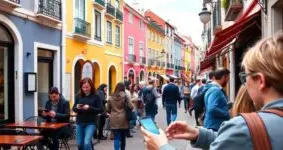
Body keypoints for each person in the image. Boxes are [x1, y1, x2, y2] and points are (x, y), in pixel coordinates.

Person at [141, 33, 283, 150]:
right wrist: (198, 134)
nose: (244, 84)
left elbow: (240, 138)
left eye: (245, 77)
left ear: (260, 80)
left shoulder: (245, 128)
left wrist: (161, 146)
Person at [73, 78, 103, 150]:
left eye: (87, 87)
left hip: (91, 123)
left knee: (86, 143)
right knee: (80, 144)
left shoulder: (96, 96)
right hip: (79, 122)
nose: (85, 89)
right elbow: (73, 108)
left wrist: (89, 108)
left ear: (91, 87)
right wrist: (77, 107)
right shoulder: (78, 95)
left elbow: (101, 110)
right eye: (83, 87)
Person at [107, 82, 134, 150]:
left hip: (114, 118)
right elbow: (131, 106)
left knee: (116, 137)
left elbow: (108, 109)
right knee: (123, 137)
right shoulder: (125, 96)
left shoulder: (110, 97)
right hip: (123, 118)